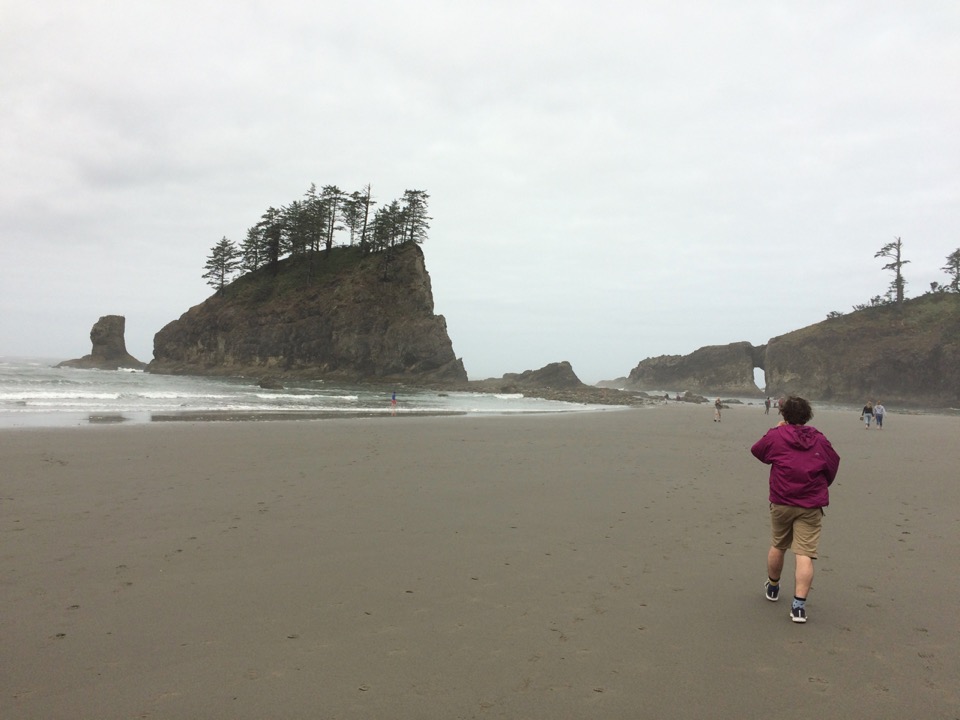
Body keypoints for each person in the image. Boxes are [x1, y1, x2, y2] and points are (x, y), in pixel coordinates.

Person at [751, 395, 840, 623]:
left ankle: (773, 587)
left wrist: (776, 430)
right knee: (804, 554)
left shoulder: (777, 435)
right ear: (807, 415)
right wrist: (819, 484)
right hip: (810, 503)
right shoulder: (819, 439)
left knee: (778, 545)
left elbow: (758, 450)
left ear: (784, 414)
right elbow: (832, 465)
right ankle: (798, 606)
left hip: (782, 500)